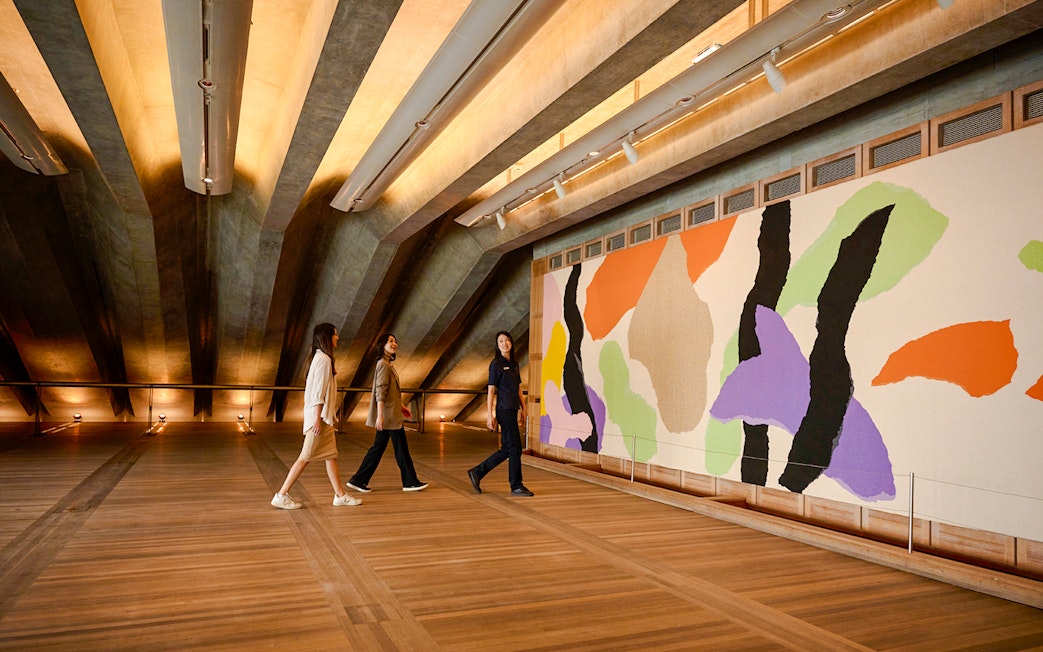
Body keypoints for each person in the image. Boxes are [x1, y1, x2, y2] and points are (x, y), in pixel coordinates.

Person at [272, 323, 361, 509]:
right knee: (305, 457)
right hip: (319, 419)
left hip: (324, 418)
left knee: (331, 455)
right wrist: (317, 419)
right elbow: (318, 393)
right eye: (335, 335)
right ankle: (281, 494)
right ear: (327, 337)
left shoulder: (321, 358)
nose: (338, 338)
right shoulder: (324, 360)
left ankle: (340, 495)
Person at [346, 333, 428, 493]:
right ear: (382, 345)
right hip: (389, 416)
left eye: (395, 341)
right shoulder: (383, 364)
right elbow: (380, 391)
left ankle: (359, 479)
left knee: (379, 447)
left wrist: (402, 406)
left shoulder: (386, 364)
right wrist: (381, 415)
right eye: (390, 341)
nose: (394, 343)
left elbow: (391, 391)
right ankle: (410, 482)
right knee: (400, 448)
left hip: (391, 413)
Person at [468, 330, 533, 497]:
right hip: (503, 410)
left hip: (513, 409)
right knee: (515, 448)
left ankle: (477, 472)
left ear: (511, 342)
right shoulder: (496, 364)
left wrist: (524, 408)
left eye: (507, 340)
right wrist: (489, 414)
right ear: (497, 346)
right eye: (501, 341)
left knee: (507, 448)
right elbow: (490, 391)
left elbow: (518, 388)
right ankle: (516, 485)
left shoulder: (515, 364)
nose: (505, 343)